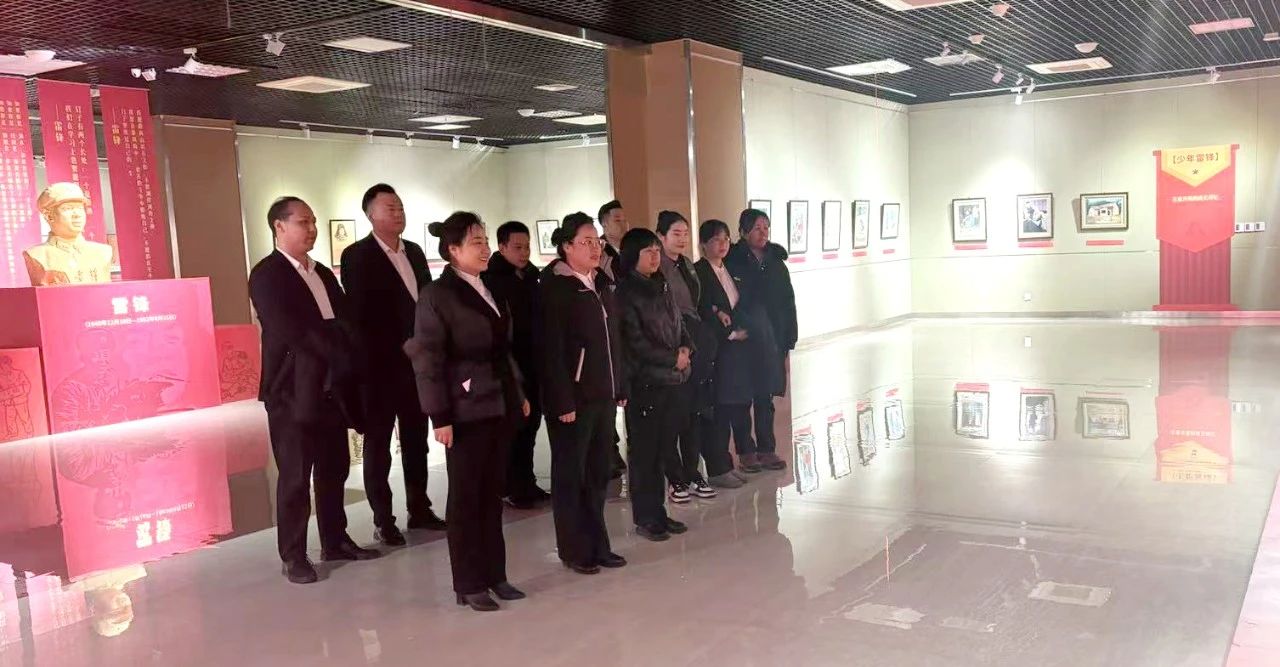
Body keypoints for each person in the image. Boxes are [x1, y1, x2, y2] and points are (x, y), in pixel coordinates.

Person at [248, 196, 380, 584]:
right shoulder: (267, 275)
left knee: (333, 468)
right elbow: (292, 330)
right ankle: (293, 554)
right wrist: (335, 343)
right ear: (279, 227)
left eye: (313, 222)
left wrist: (343, 347)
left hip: (330, 386)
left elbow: (345, 319)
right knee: (294, 476)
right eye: (303, 222)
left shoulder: (320, 271)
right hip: (291, 390)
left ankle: (335, 540)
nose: (312, 229)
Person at [404, 212, 530, 612]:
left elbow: (503, 350)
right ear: (453, 250)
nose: (485, 248)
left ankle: (495, 575)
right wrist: (438, 416)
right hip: (465, 409)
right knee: (465, 497)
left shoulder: (487, 287)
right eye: (476, 242)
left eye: (485, 240)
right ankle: (469, 582)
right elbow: (428, 360)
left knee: (491, 494)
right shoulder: (438, 295)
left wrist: (518, 392)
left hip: (498, 402)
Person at [339, 183, 444, 548]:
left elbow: (426, 301)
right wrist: (397, 344)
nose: (398, 213)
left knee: (417, 440)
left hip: (417, 365)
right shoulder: (357, 255)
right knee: (379, 445)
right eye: (390, 208)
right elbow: (361, 316)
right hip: (380, 368)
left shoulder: (413, 251)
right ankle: (383, 519)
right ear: (370, 214)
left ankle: (420, 508)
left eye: (400, 207)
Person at [539, 212, 628, 574]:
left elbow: (614, 341)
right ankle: (574, 549)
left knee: (597, 474)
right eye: (586, 242)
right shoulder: (555, 289)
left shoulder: (601, 283)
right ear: (566, 247)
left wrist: (619, 385)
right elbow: (549, 351)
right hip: (573, 400)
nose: (595, 248)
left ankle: (598, 545)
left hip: (602, 394)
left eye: (597, 242)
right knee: (570, 477)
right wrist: (562, 400)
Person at [615, 228, 693, 541]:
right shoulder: (626, 292)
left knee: (662, 450)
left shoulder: (662, 284)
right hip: (645, 382)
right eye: (647, 251)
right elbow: (635, 343)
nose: (654, 256)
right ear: (632, 256)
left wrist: (685, 349)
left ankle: (659, 512)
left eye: (656, 250)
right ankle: (645, 517)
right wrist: (673, 358)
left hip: (670, 379)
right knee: (644, 454)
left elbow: (679, 322)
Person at [483, 221, 547, 509]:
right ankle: (510, 486)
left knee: (531, 426)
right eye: (517, 247)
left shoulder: (531, 277)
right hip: (511, 364)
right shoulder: (493, 281)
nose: (524, 253)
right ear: (502, 247)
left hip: (534, 361)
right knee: (514, 428)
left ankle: (527, 481)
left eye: (527, 247)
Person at [725, 208, 796, 472]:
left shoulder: (776, 262)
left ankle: (767, 449)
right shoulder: (732, 261)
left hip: (771, 338)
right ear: (743, 231)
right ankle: (746, 451)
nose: (763, 232)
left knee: (765, 397)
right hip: (744, 338)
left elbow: (788, 303)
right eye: (757, 227)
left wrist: (788, 340)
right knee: (742, 397)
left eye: (766, 227)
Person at [694, 220, 763, 488]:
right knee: (720, 409)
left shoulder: (729, 269)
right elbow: (702, 311)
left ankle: (732, 461)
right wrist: (729, 333)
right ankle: (718, 467)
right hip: (718, 349)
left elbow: (740, 304)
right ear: (703, 244)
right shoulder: (700, 272)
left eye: (725, 239)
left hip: (738, 350)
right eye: (715, 239)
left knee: (739, 404)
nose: (722, 244)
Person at [655, 211, 717, 502]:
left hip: (695, 343)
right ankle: (675, 477)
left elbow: (695, 304)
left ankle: (693, 472)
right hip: (673, 347)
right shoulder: (657, 267)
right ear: (661, 236)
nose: (681, 239)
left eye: (685, 233)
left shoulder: (687, 264)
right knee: (673, 416)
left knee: (694, 413)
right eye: (675, 234)